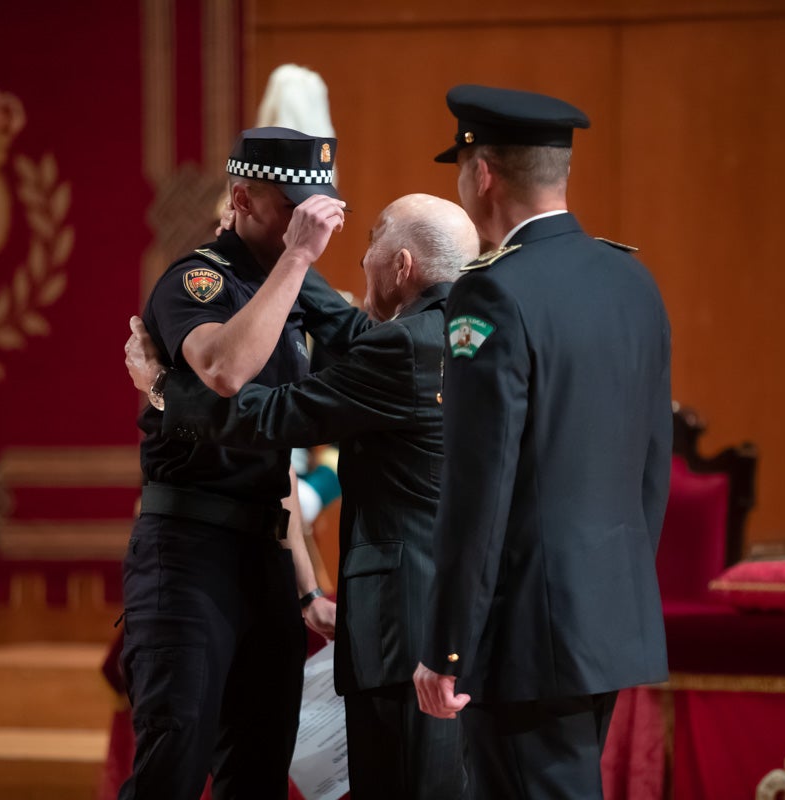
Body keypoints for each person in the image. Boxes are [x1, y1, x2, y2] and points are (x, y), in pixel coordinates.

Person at [125, 193, 480, 799]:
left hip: (401, 625)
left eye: (370, 243)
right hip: (454, 613)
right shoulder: (469, 333)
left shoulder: (400, 348)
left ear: (400, 267)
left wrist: (161, 386)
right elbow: (347, 329)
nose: (359, 258)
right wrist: (272, 256)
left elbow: (273, 415)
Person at [411, 85, 673, 799]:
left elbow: (479, 483)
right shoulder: (633, 282)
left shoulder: (493, 294)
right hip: (605, 620)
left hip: (526, 635)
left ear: (483, 173)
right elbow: (653, 463)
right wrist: (608, 599)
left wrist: (448, 645)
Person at [119, 126, 346, 800]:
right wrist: (298, 260)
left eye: (321, 210)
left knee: (260, 766)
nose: (311, 226)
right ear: (243, 197)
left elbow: (275, 467)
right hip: (188, 551)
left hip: (266, 555)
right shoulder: (196, 279)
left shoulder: (296, 284)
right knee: (175, 763)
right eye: (294, 209)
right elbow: (223, 369)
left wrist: (306, 589)